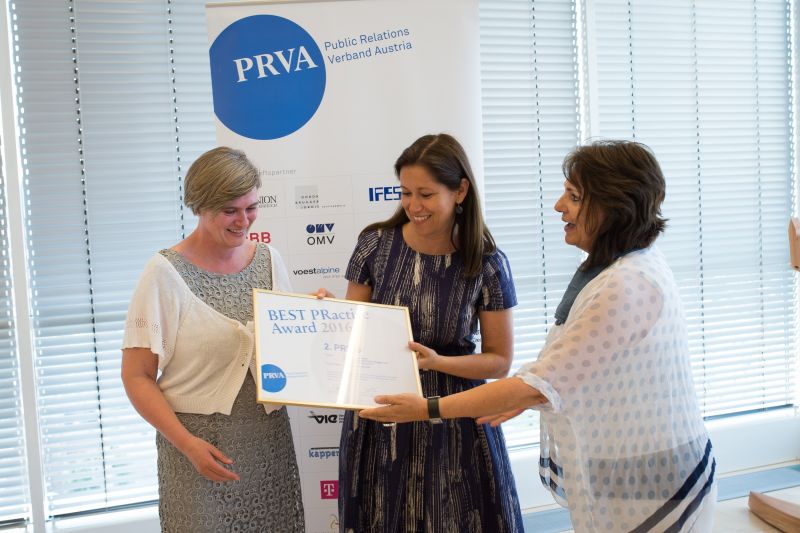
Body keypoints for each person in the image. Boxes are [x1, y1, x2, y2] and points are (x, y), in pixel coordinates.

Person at [360, 140, 717, 533]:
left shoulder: (625, 285)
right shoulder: (621, 266)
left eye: (574, 197)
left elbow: (537, 382)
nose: (559, 206)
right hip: (636, 473)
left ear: (614, 206)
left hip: (651, 485)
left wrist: (428, 408)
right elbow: (567, 367)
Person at [339, 133, 524, 532]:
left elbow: (499, 362)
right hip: (382, 415)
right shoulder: (374, 246)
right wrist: (322, 315)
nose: (413, 206)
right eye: (406, 193)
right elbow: (350, 333)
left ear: (460, 191)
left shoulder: (487, 262)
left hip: (454, 420)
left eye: (425, 194)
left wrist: (438, 362)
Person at [120, 147, 304, 532]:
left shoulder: (270, 260)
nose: (244, 220)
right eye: (230, 211)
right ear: (200, 206)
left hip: (268, 447)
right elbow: (137, 376)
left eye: (251, 207)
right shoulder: (163, 274)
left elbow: (292, 349)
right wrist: (187, 444)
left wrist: (319, 318)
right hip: (196, 452)